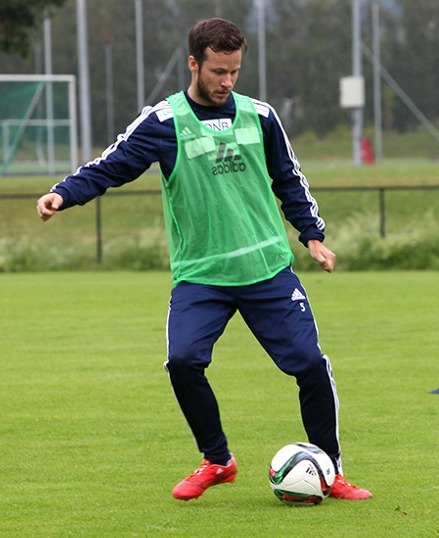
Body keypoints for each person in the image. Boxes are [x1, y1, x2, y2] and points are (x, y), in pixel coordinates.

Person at [37, 17, 371, 502]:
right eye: (218, 71)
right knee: (183, 360)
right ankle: (218, 460)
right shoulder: (164, 122)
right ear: (194, 63)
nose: (227, 81)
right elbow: (112, 164)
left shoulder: (260, 116)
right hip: (202, 276)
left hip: (267, 271)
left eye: (234, 71)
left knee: (309, 365)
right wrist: (63, 194)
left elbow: (289, 179)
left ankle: (330, 469)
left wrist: (312, 235)